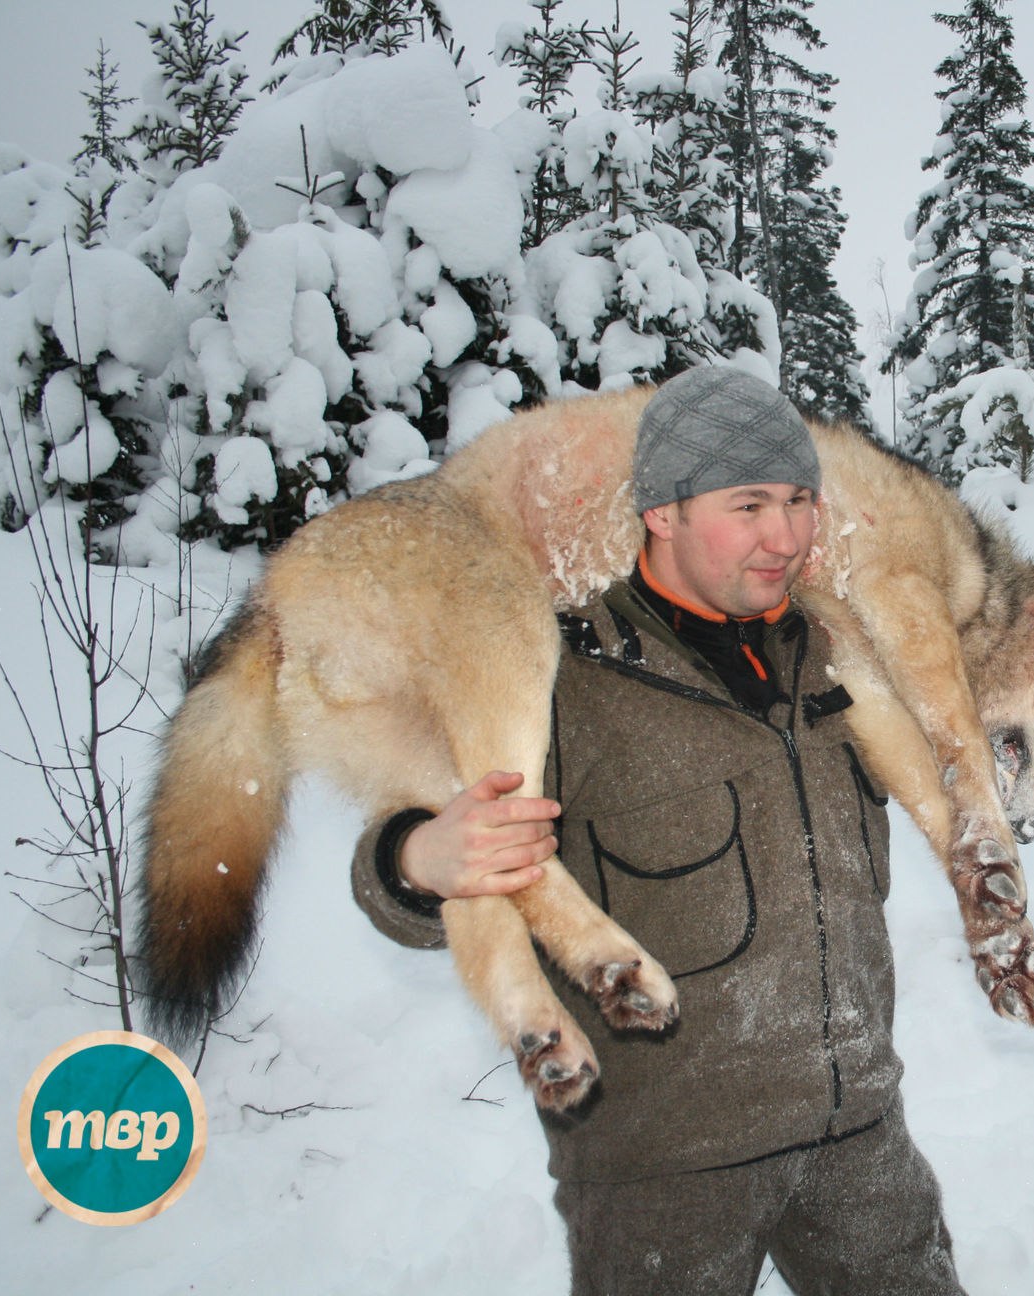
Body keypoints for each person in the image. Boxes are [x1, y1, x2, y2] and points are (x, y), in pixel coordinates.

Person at [351, 365, 967, 1296]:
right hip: (661, 1173)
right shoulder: (566, 672)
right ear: (662, 513)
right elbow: (408, 849)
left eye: (801, 500)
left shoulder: (837, 655)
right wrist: (416, 861)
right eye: (748, 504)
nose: (787, 534)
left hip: (858, 1135)